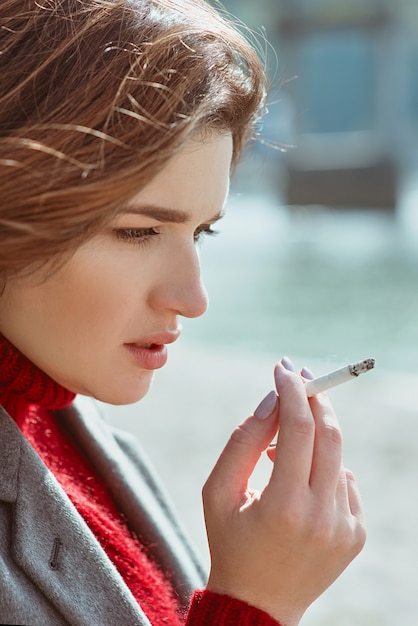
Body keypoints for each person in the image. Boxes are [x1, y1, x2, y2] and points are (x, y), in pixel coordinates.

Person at [0, 1, 366, 624]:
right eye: (139, 232)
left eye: (201, 233)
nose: (193, 300)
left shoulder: (73, 427)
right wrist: (255, 603)